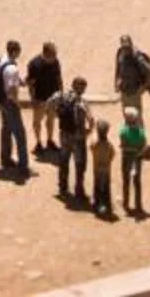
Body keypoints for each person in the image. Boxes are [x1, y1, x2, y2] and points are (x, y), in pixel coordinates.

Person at [0, 38, 28, 178]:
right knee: (20, 135)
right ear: (14, 51)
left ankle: (5, 159)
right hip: (10, 103)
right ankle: (23, 166)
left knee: (6, 130)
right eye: (18, 52)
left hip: (1, 101)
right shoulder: (12, 69)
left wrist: (21, 82)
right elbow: (12, 91)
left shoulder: (3, 59)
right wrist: (18, 104)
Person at [55, 76, 90, 204]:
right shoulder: (81, 102)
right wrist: (89, 131)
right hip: (78, 137)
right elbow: (90, 119)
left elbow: (51, 106)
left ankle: (62, 187)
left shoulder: (63, 97)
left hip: (64, 134)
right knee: (80, 164)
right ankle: (79, 190)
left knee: (64, 160)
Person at [27, 42, 63, 156]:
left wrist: (61, 93)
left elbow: (59, 78)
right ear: (46, 53)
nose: (55, 57)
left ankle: (50, 140)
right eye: (53, 54)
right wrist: (33, 99)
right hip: (40, 98)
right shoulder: (34, 64)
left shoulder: (55, 62)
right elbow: (31, 83)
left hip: (53, 97)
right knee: (37, 121)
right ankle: (38, 143)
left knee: (51, 120)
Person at [114, 33, 150, 118]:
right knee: (127, 116)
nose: (125, 49)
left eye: (127, 46)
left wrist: (143, 87)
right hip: (124, 90)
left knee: (137, 118)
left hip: (135, 91)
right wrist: (116, 83)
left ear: (131, 44)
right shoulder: (120, 52)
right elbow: (117, 68)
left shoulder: (137, 57)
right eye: (123, 46)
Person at [119, 108, 149, 216]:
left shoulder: (123, 131)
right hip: (137, 158)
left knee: (126, 181)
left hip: (126, 157)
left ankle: (126, 203)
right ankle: (138, 205)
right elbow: (145, 145)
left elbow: (122, 144)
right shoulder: (141, 132)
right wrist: (139, 152)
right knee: (137, 182)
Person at [90, 108, 115, 218]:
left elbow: (91, 148)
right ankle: (107, 205)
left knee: (97, 186)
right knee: (106, 187)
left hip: (96, 169)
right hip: (106, 169)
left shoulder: (95, 144)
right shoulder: (109, 145)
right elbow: (112, 154)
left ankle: (97, 204)